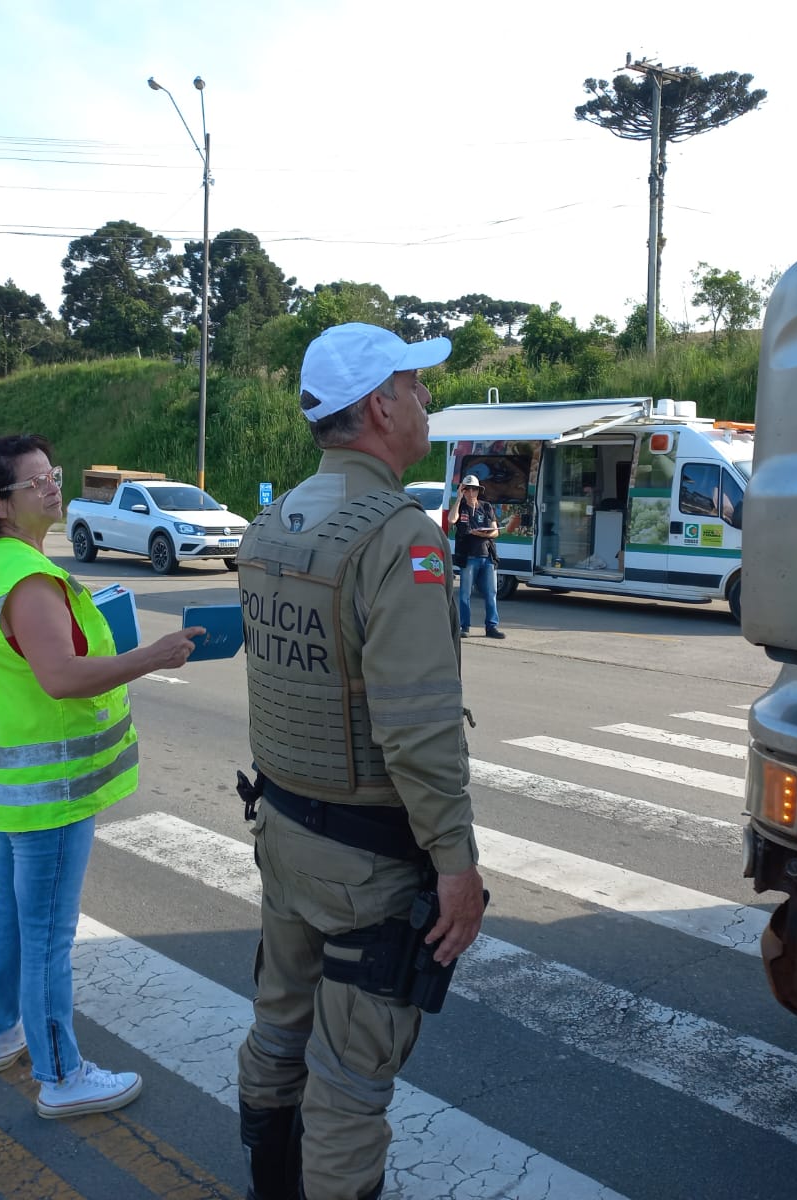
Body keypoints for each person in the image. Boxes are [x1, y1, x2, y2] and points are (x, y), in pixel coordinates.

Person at [234, 323, 487, 1200]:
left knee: (278, 1031)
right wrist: (456, 864)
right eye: (417, 387)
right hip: (369, 861)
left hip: (287, 830)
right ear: (380, 405)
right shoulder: (399, 536)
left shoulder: (274, 520)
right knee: (349, 1085)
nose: (426, 403)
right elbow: (417, 731)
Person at [0, 433, 204, 1120]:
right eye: (37, 483)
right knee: (48, 935)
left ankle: (4, 1034)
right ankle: (61, 1074)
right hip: (50, 789)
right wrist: (153, 655)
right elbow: (59, 676)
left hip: (9, 777)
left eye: (53, 475)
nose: (53, 487)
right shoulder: (27, 580)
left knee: (12, 910)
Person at [448, 475, 504, 638]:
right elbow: (451, 520)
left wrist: (481, 533)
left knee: (491, 593)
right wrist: (458, 498)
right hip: (469, 556)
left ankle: (491, 626)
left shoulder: (486, 507)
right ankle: (464, 627)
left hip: (487, 556)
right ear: (463, 490)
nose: (471, 492)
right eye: (467, 489)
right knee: (465, 594)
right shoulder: (461, 507)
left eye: (474, 489)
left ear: (479, 491)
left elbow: (495, 531)